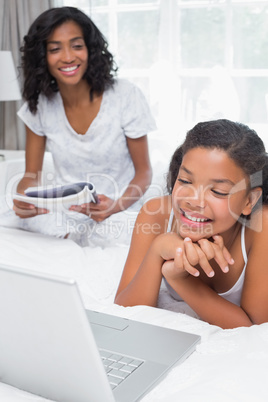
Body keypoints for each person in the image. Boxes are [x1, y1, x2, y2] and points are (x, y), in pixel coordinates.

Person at [12, 6, 156, 246]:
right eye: (55, 49)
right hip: (68, 211)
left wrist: (115, 206)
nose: (68, 57)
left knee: (123, 229)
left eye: (77, 46)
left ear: (90, 49)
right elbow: (31, 176)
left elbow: (144, 173)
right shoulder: (39, 105)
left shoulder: (125, 95)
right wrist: (24, 199)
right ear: (42, 57)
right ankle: (75, 239)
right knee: (18, 219)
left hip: (119, 205)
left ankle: (78, 240)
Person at [115, 119, 268, 329]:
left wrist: (180, 278)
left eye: (218, 192)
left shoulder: (262, 226)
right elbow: (123, 312)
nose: (194, 201)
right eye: (185, 181)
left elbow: (255, 329)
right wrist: (158, 249)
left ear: (249, 201)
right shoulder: (156, 215)